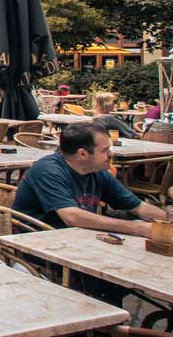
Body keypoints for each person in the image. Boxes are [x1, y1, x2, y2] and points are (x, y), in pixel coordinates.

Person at [13, 122, 166, 304]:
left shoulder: (97, 171)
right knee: (118, 271)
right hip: (43, 248)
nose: (111, 154)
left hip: (84, 244)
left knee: (144, 266)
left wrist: (166, 220)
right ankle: (98, 326)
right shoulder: (48, 170)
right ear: (83, 154)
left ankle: (112, 324)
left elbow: (138, 207)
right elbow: (72, 217)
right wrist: (138, 228)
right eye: (105, 150)